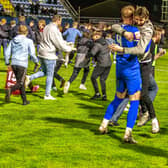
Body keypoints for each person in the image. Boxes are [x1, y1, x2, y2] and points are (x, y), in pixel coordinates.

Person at [110, 6, 160, 134]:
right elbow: (114, 26)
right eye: (136, 19)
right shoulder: (134, 25)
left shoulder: (148, 30)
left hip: (144, 63)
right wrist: (124, 32)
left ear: (146, 18)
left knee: (141, 93)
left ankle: (152, 118)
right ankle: (119, 117)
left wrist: (121, 50)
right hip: (134, 63)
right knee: (131, 92)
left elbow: (140, 50)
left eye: (140, 20)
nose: (137, 22)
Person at [99, 5, 141, 143]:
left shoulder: (118, 30)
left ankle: (103, 124)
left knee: (118, 98)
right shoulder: (133, 30)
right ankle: (128, 133)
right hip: (131, 67)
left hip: (120, 68)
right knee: (135, 100)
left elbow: (114, 28)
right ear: (132, 17)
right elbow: (135, 50)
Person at [25, 15, 75, 100]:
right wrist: (68, 48)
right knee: (50, 75)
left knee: (44, 71)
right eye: (61, 20)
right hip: (49, 54)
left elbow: (58, 40)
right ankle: (47, 94)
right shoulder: (54, 29)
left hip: (42, 52)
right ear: (58, 20)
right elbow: (58, 42)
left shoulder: (47, 26)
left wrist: (66, 43)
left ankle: (29, 77)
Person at [4, 25, 39, 105]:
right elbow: (32, 54)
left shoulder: (13, 40)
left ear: (18, 31)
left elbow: (7, 52)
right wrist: (36, 61)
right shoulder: (29, 41)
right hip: (22, 64)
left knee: (21, 83)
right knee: (20, 83)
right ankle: (10, 90)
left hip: (14, 63)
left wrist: (7, 62)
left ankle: (24, 100)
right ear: (26, 32)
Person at [90, 30, 112, 101]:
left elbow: (92, 53)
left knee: (93, 77)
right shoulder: (105, 42)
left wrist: (87, 54)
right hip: (108, 63)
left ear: (96, 36)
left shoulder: (97, 44)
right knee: (102, 80)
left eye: (93, 37)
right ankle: (104, 95)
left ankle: (97, 93)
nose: (92, 39)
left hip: (101, 63)